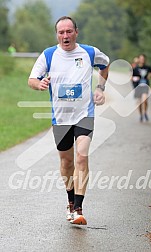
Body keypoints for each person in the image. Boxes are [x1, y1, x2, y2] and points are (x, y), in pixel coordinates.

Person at [28, 16, 110, 225]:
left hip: (84, 114)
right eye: (61, 32)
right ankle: (70, 201)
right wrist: (39, 84)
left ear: (76, 32)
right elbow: (31, 79)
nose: (65, 36)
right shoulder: (48, 55)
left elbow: (105, 65)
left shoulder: (89, 52)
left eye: (69, 31)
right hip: (61, 117)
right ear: (57, 34)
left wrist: (100, 88)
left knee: (82, 157)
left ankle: (79, 208)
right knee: (66, 162)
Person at [132, 54, 151, 122]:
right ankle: (141, 115)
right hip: (138, 87)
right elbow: (131, 77)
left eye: (143, 59)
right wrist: (135, 78)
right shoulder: (135, 69)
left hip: (145, 86)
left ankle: (145, 113)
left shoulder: (147, 67)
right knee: (139, 102)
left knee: (144, 100)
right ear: (139, 59)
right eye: (141, 59)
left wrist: (150, 76)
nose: (142, 60)